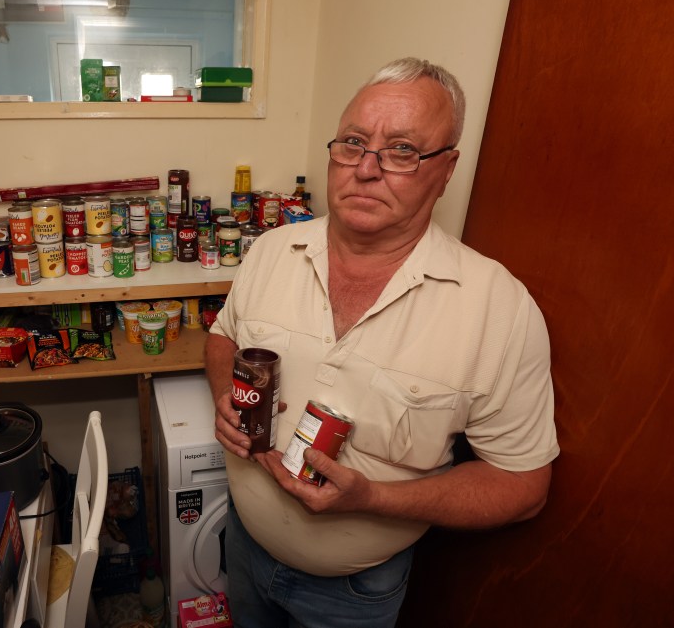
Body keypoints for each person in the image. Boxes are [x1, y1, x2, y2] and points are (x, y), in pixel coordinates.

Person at [205, 57, 559, 628]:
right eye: (352, 143)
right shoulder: (271, 250)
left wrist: (373, 498)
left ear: (446, 170)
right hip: (243, 546)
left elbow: (523, 487)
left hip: (354, 594)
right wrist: (227, 394)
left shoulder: (499, 307)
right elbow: (223, 339)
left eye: (402, 150)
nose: (365, 170)